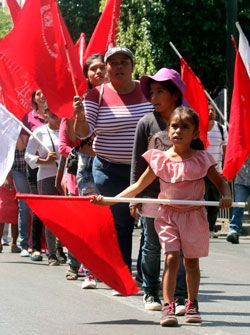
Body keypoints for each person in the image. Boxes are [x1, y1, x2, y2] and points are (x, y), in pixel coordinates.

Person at [92, 106, 232, 326]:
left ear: (195, 133)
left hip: (194, 216)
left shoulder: (202, 159)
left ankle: (191, 303)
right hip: (167, 216)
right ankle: (168, 307)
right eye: (174, 126)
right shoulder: (160, 159)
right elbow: (138, 185)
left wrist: (226, 195)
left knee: (191, 262)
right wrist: (110, 200)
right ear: (168, 130)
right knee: (171, 258)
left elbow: (221, 183)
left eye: (184, 127)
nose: (178, 131)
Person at [73, 46, 153, 277]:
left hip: (146, 171)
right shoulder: (95, 95)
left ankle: (148, 279)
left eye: (124, 62)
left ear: (132, 66)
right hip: (109, 170)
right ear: (106, 68)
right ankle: (123, 274)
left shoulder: (148, 91)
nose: (119, 67)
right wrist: (79, 116)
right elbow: (82, 133)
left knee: (150, 222)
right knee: (121, 223)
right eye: (113, 62)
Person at [130, 68, 187, 312]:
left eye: (160, 91)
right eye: (151, 92)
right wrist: (134, 198)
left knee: (180, 249)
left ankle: (181, 296)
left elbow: (198, 158)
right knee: (151, 246)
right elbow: (137, 162)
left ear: (175, 94)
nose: (153, 97)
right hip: (152, 195)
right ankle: (150, 292)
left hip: (181, 198)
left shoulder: (187, 120)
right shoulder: (145, 123)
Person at [59, 53, 106, 287]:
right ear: (86, 75)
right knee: (89, 220)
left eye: (101, 67)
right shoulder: (83, 100)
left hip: (112, 167)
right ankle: (88, 270)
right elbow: (76, 137)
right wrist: (78, 114)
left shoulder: (119, 99)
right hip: (87, 166)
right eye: (93, 69)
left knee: (110, 222)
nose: (98, 72)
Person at [25, 109, 62, 266]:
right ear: (46, 114)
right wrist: (43, 160)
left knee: (65, 217)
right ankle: (52, 254)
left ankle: (62, 250)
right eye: (51, 112)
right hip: (46, 178)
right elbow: (28, 155)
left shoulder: (68, 130)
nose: (54, 115)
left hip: (66, 178)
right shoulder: (39, 132)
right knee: (50, 217)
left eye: (57, 112)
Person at [18, 89, 47, 261]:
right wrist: (16, 130)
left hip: (56, 168)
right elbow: (21, 147)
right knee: (37, 206)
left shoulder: (57, 114)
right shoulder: (28, 118)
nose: (42, 96)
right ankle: (34, 245)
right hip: (35, 168)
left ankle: (54, 247)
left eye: (44, 93)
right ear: (34, 99)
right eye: (38, 94)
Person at [205, 102, 228, 237]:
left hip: (217, 171)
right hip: (200, 172)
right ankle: (201, 228)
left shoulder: (221, 128)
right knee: (200, 202)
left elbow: (226, 149)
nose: (210, 112)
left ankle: (210, 228)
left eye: (212, 110)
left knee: (214, 201)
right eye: (208, 110)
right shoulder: (198, 128)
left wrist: (225, 169)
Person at [227, 155, 250, 244]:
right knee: (238, 207)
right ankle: (234, 231)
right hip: (241, 181)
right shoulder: (240, 145)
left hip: (242, 180)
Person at [0, 174, 20, 253]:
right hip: (5, 179)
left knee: (15, 212)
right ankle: (12, 244)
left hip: (15, 178)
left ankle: (14, 244)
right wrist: (6, 177)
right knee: (2, 211)